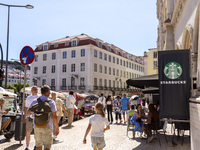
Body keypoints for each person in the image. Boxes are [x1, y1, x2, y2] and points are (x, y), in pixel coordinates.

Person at [28, 85, 59, 150]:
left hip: (37, 126)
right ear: (47, 92)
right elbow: (54, 116)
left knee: (38, 145)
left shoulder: (34, 101)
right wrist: (57, 127)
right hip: (47, 126)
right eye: (49, 92)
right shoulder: (51, 102)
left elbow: (28, 113)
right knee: (47, 146)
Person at [24, 86, 39, 150]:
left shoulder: (39, 97)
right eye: (34, 89)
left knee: (37, 132)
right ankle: (27, 146)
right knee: (28, 131)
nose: (36, 90)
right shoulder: (28, 98)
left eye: (37, 89)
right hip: (29, 117)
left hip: (37, 117)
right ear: (31, 90)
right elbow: (26, 107)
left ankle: (36, 145)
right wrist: (25, 116)